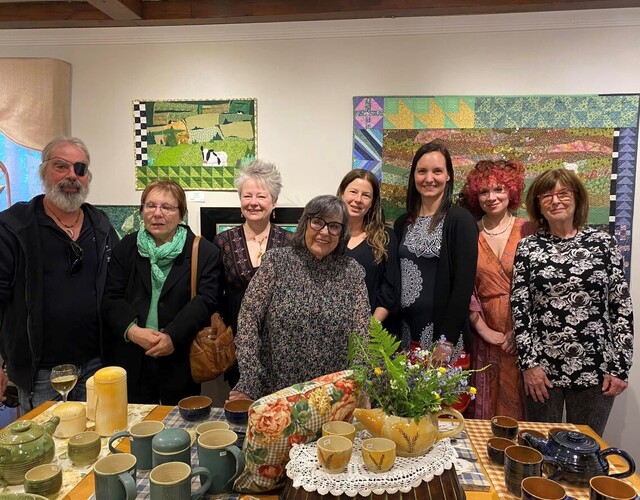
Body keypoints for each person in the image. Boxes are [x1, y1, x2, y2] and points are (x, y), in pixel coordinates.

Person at [0, 136, 119, 412]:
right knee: (47, 450)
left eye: (79, 169)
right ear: (43, 172)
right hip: (41, 374)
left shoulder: (100, 225)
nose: (71, 176)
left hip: (95, 367)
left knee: (97, 444)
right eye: (61, 166)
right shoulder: (14, 227)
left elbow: (116, 286)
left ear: (87, 177)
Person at [511, 168, 634, 435]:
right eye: (547, 196)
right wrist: (529, 365)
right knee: (539, 448)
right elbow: (520, 309)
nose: (555, 201)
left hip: (596, 368)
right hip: (542, 370)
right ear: (538, 205)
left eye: (563, 194)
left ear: (577, 198)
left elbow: (621, 307)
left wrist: (620, 366)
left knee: (586, 449)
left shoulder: (603, 243)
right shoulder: (528, 247)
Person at [229, 195, 370, 400]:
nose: (324, 232)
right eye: (317, 222)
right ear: (305, 223)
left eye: (334, 226)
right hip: (277, 392)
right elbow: (248, 319)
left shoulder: (352, 272)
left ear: (342, 233)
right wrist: (250, 378)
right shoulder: (277, 263)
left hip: (331, 394)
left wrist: (359, 383)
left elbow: (361, 335)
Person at [102, 180, 222, 405]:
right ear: (142, 210)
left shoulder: (203, 251)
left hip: (179, 356)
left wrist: (171, 336)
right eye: (150, 206)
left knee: (180, 426)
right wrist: (134, 331)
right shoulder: (127, 247)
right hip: (132, 355)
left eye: (167, 207)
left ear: (181, 214)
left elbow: (206, 300)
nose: (157, 213)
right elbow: (111, 297)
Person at [393, 141, 478, 364]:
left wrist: (446, 340)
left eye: (437, 171)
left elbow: (463, 284)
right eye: (422, 171)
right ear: (414, 175)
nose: (429, 178)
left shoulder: (459, 220)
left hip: (443, 342)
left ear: (448, 175)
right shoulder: (403, 223)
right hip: (405, 338)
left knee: (442, 400)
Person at [460, 159, 530, 420]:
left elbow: (540, 286)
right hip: (483, 332)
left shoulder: (529, 230)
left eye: (499, 189)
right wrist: (483, 329)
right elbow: (463, 287)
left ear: (511, 191)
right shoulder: (469, 231)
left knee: (520, 407)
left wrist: (520, 332)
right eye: (483, 191)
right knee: (483, 402)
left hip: (522, 335)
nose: (491, 197)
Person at [214, 160, 292, 386]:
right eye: (247, 196)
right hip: (237, 338)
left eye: (261, 196)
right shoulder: (223, 242)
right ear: (240, 201)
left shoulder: (290, 242)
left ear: (274, 202)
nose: (254, 203)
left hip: (281, 342)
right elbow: (214, 295)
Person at [337, 169, 399, 333]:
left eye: (366, 195)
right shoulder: (328, 235)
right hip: (331, 335)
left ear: (372, 202)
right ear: (342, 194)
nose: (358, 200)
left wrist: (369, 329)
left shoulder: (385, 237)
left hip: (373, 333)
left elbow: (390, 290)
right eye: (353, 192)